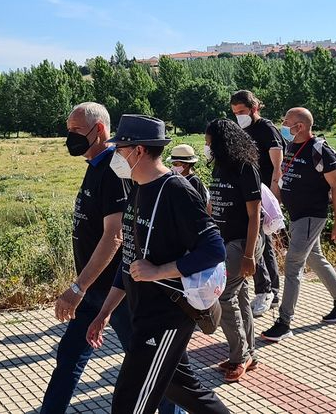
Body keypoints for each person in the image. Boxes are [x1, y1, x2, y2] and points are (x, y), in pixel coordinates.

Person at [85, 114, 230, 414]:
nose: (116, 156)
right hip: (143, 314)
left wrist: (159, 271)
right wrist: (104, 312)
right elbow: (129, 262)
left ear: (139, 150)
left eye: (120, 148)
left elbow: (214, 249)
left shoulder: (176, 190)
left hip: (166, 318)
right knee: (183, 389)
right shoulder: (137, 188)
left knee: (129, 403)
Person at [41, 102, 138, 414]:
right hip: (92, 287)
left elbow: (114, 235)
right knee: (69, 355)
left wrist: (77, 288)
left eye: (76, 131)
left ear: (99, 130)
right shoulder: (95, 166)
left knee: (144, 363)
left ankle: (172, 407)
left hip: (116, 290)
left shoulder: (115, 169)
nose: (70, 137)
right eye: (68, 131)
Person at [261, 107, 336, 342]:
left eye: (286, 122)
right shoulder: (292, 147)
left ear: (300, 126)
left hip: (312, 216)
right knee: (315, 258)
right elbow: (286, 178)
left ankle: (284, 322)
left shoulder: (320, 151)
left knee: (293, 266)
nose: (283, 126)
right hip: (296, 216)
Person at [204, 119, 264, 382]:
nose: (207, 148)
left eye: (209, 143)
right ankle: (248, 353)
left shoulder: (245, 168)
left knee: (224, 296)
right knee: (239, 296)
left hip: (242, 243)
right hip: (223, 242)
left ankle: (240, 357)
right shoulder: (220, 167)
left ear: (222, 142)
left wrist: (250, 255)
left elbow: (255, 215)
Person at [230, 90, 283, 317]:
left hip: (263, 193)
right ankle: (273, 291)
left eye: (242, 112)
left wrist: (274, 190)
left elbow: (277, 160)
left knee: (258, 241)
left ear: (254, 108)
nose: (238, 116)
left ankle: (266, 290)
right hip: (250, 192)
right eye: (235, 113)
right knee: (265, 243)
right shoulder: (243, 129)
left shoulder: (266, 129)